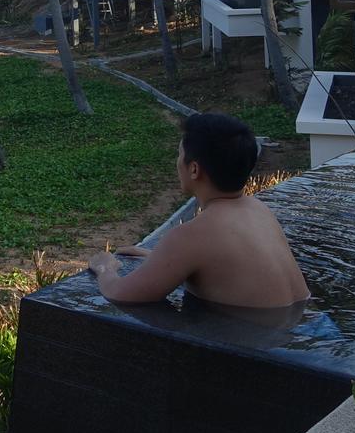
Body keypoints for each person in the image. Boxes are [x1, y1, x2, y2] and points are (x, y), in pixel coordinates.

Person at [86, 113, 309, 309]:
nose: (177, 162)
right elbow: (232, 269)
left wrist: (106, 268)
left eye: (179, 155)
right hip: (308, 330)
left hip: (263, 345)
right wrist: (160, 260)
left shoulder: (191, 236)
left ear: (194, 169)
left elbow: (122, 294)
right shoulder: (259, 210)